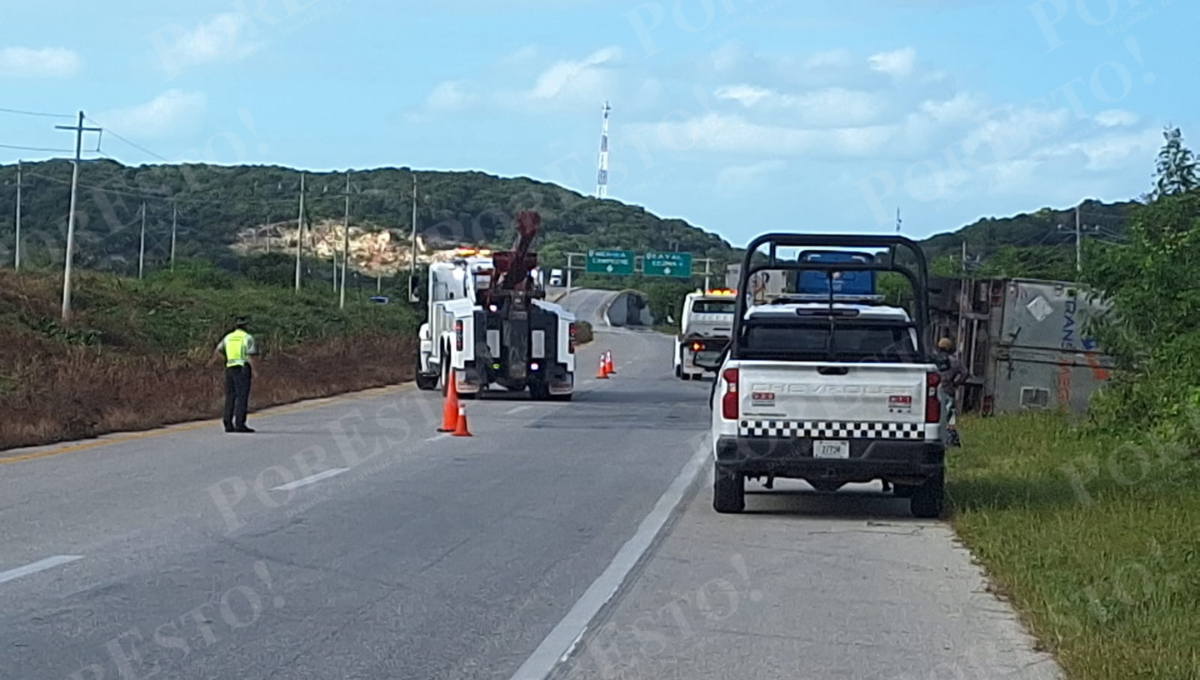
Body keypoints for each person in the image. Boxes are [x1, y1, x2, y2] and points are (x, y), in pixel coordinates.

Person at [214, 317, 258, 433]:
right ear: (245, 326)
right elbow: (249, 356)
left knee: (230, 396)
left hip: (230, 368)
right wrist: (254, 370)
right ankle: (239, 424)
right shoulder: (247, 338)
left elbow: (218, 351)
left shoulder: (228, 337)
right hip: (242, 368)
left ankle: (227, 423)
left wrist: (227, 359)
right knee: (242, 397)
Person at [936, 337, 968, 447]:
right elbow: (965, 373)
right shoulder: (955, 361)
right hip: (948, 390)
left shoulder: (934, 359)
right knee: (950, 417)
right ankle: (951, 440)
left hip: (934, 391)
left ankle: (937, 437)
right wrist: (957, 383)